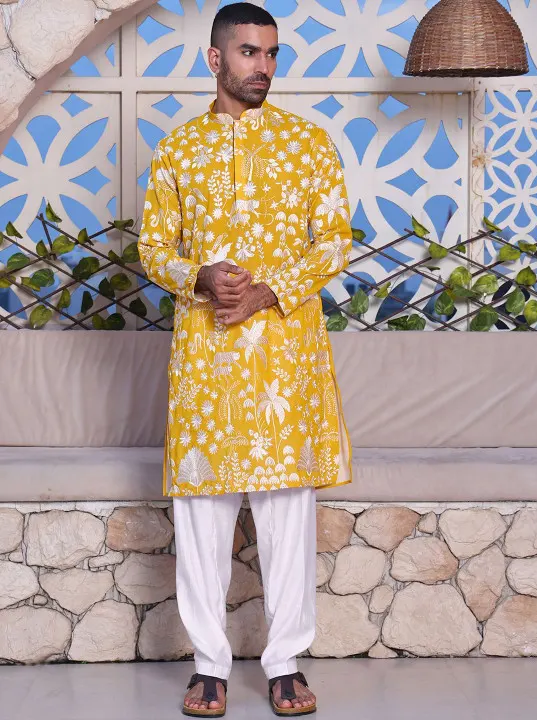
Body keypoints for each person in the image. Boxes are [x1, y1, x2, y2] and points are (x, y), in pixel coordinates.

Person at [138, 3, 353, 716]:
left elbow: (334, 240)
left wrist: (267, 291)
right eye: (249, 52)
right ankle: (209, 665)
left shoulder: (309, 143)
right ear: (215, 59)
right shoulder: (179, 150)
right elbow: (152, 248)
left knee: (286, 514)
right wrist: (198, 277)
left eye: (271, 54)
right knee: (202, 515)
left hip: (284, 362)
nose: (263, 67)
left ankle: (285, 662)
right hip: (207, 361)